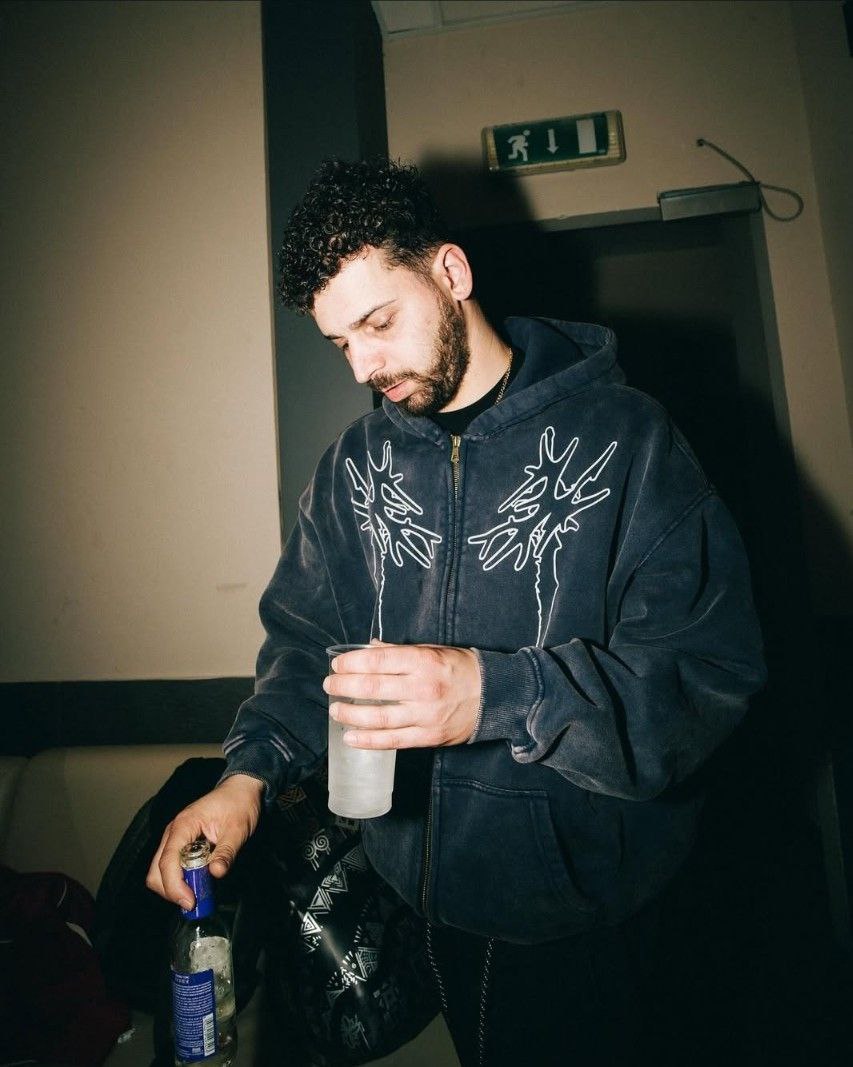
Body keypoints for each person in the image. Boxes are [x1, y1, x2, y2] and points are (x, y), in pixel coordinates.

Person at [147, 158, 766, 1065]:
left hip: (583, 916)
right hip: (420, 901)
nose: (365, 366)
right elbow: (306, 647)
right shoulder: (352, 468)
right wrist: (245, 778)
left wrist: (493, 694)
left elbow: (706, 676)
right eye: (340, 343)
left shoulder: (630, 439)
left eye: (378, 323)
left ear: (450, 272)